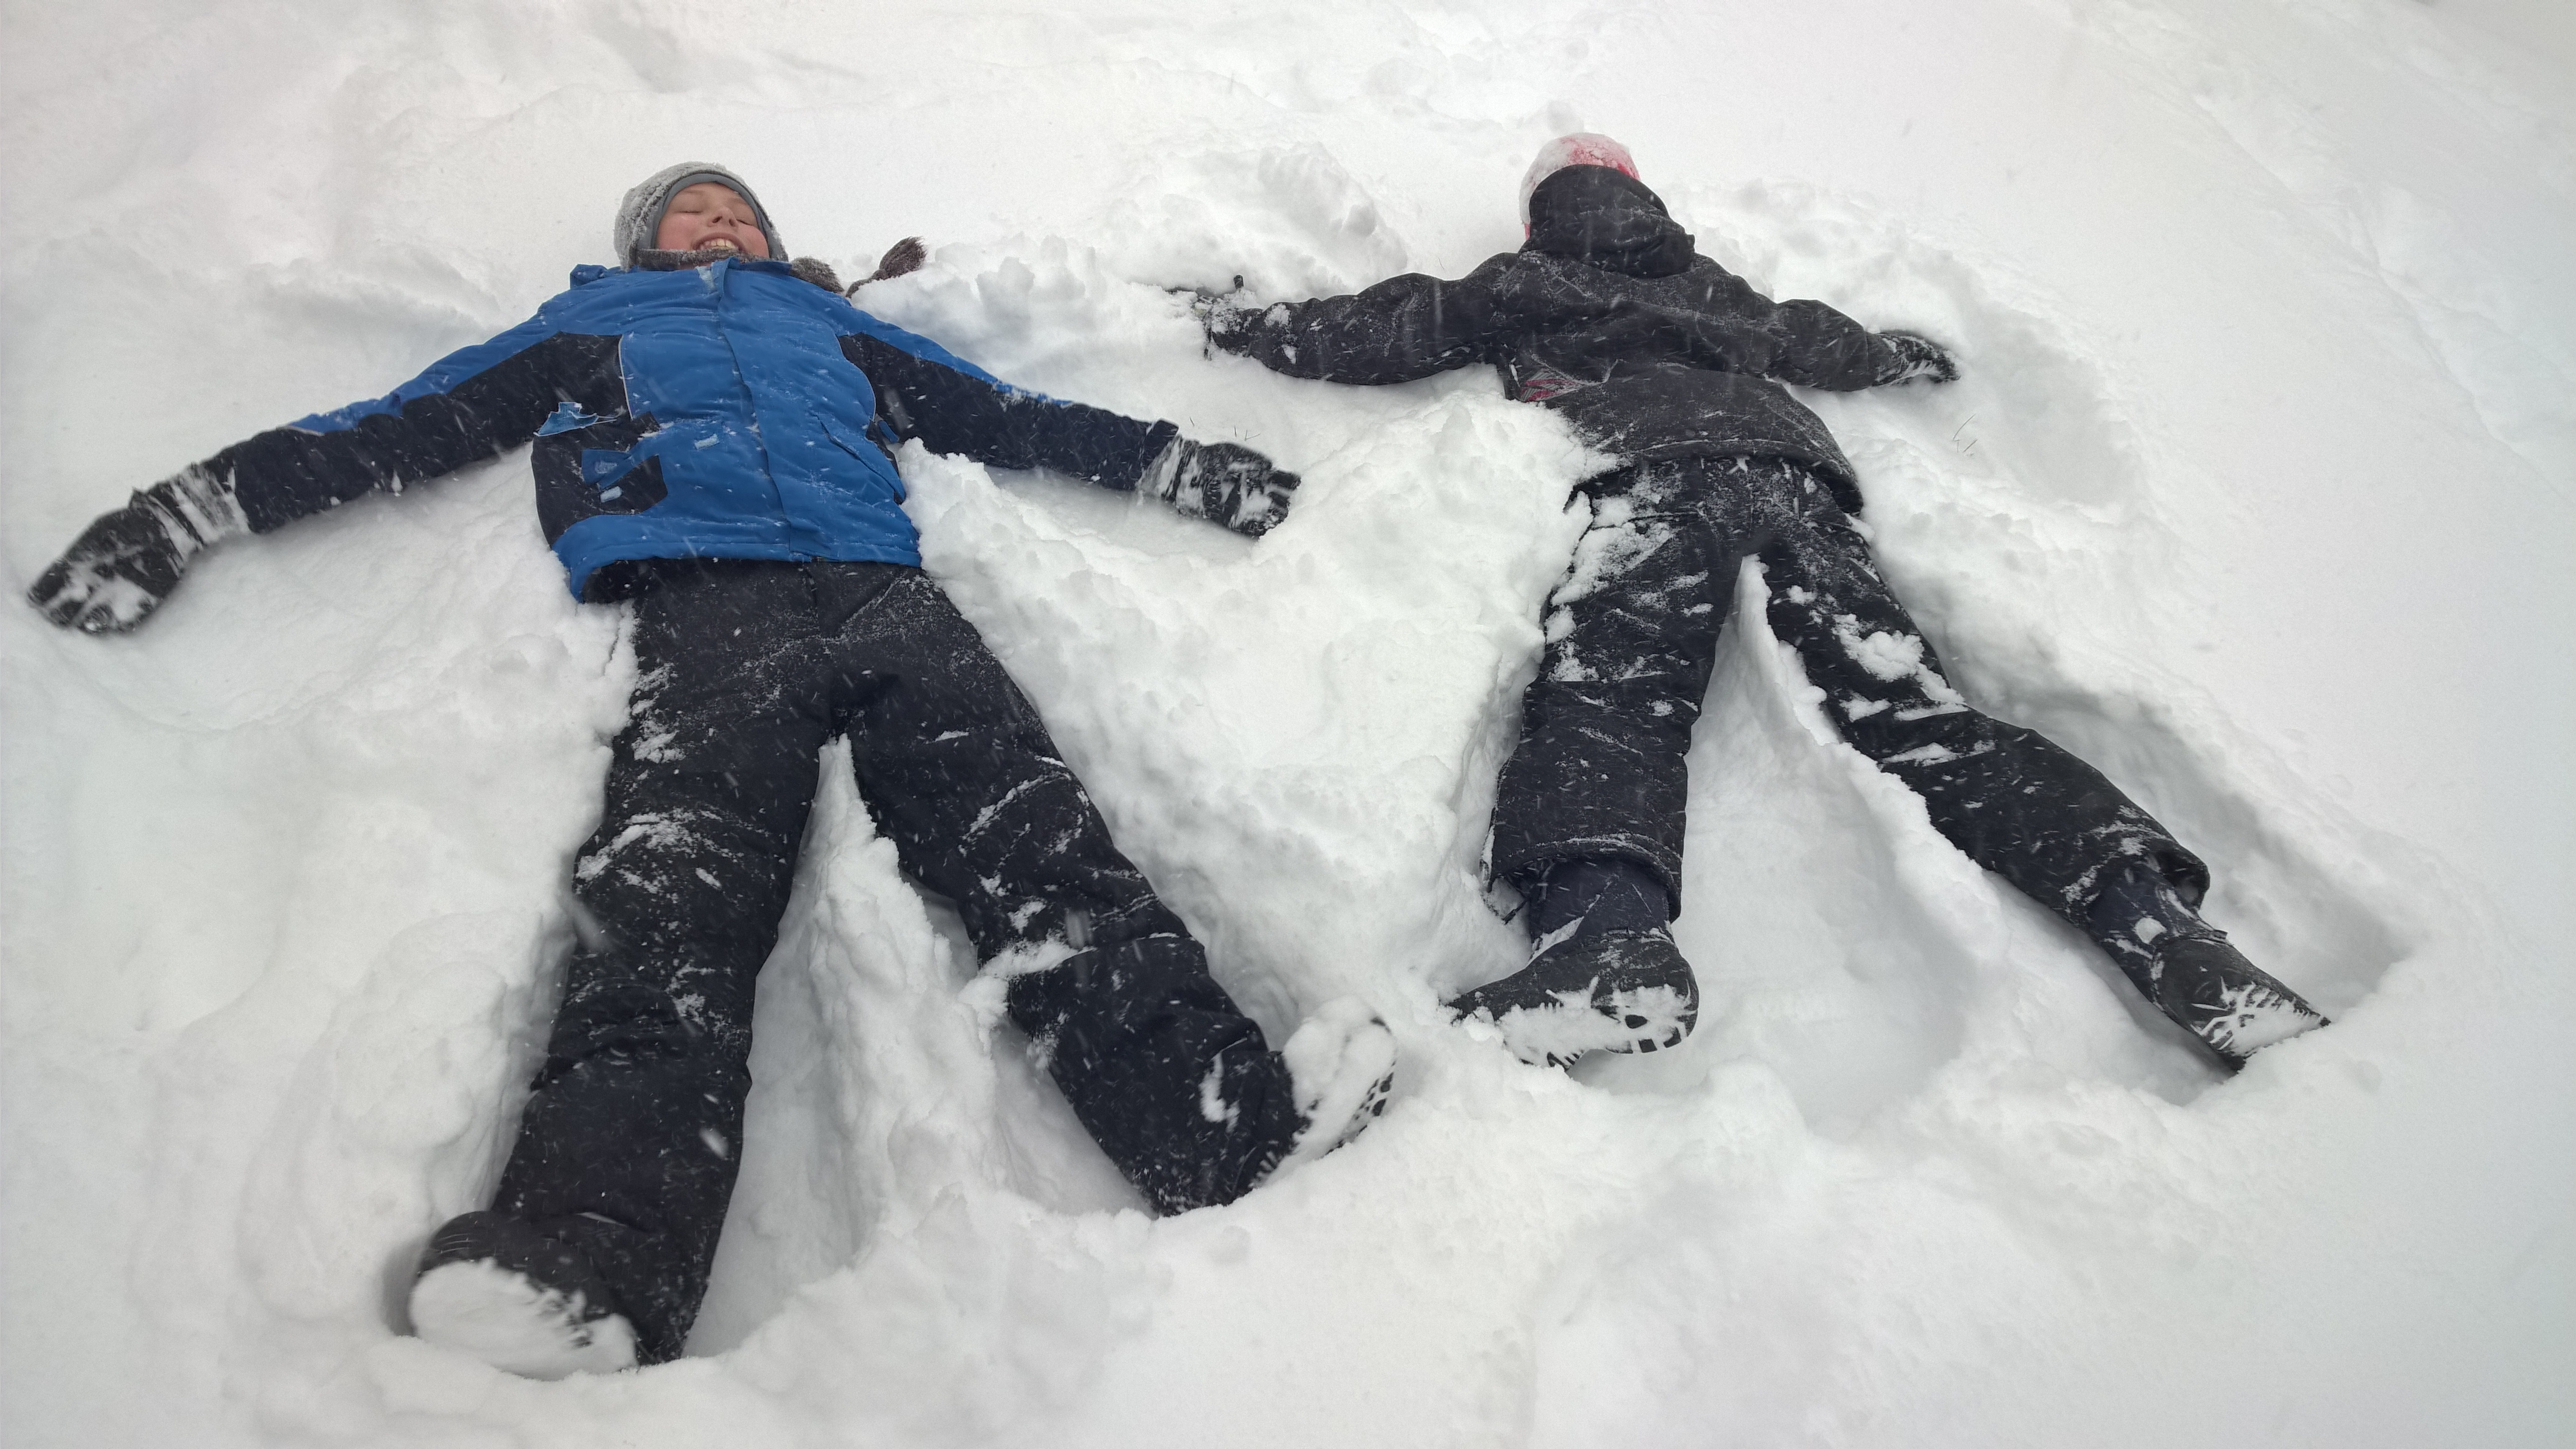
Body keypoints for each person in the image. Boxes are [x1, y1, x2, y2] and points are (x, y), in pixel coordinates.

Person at [28, 163, 1395, 1378]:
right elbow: (400, 424)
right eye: (695, 209)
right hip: (705, 608)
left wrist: (1181, 466)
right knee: (670, 910)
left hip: (885, 595)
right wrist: (181, 516)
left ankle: (1226, 1128)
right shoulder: (591, 324)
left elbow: (1003, 412)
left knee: (1043, 851)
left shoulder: (833, 324)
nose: (724, 221)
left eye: (741, 209)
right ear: (645, 240)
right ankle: (592, 1262)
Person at [1198, 134, 2327, 1074]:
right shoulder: (1707, 286)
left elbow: (1387, 329)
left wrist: (1240, 325)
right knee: (1916, 713)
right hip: (1795, 483)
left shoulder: (1527, 280)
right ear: (1641, 199)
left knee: (1616, 698)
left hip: (1649, 478)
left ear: (1543, 213)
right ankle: (2159, 924)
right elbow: (1809, 338)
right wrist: (1896, 355)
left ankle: (1608, 939)